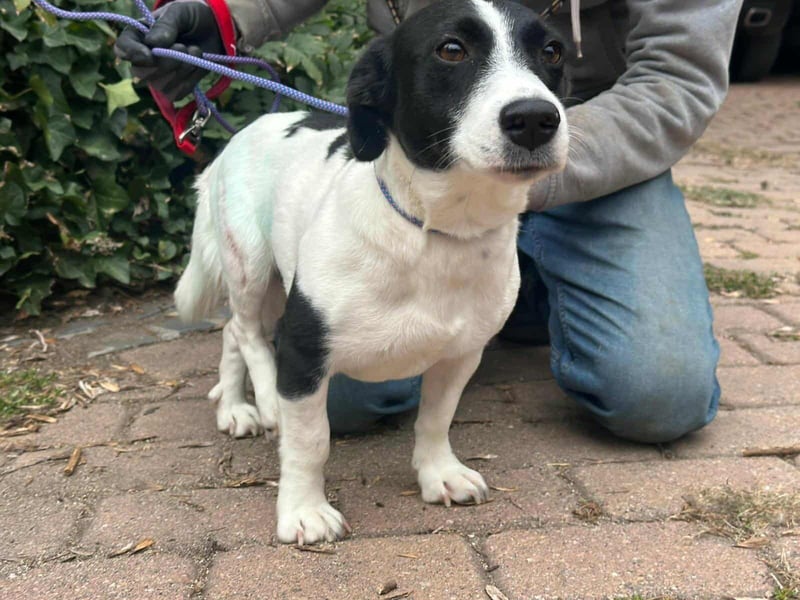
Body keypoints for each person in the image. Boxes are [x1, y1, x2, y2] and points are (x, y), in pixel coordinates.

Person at [115, 0, 743, 443]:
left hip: (593, 156)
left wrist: (530, 165)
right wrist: (226, 18)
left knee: (658, 395)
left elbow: (679, 77)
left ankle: (528, 297)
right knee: (344, 395)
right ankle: (526, 305)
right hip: (421, 180)